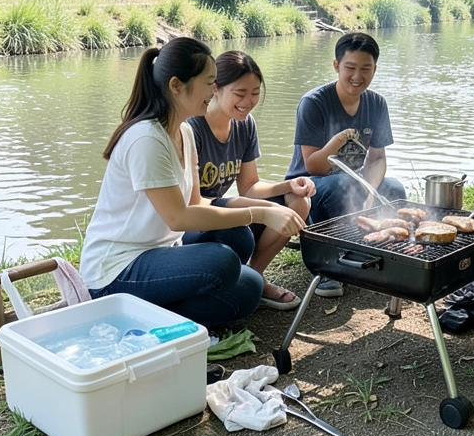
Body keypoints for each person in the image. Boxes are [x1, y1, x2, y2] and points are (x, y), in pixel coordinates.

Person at [80, 37, 305, 327]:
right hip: (116, 269)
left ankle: (152, 316)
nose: (214, 91)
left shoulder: (184, 133)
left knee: (249, 286)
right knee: (221, 261)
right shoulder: (146, 138)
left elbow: (197, 202)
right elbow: (178, 217)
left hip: (162, 254)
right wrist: (261, 213)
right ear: (176, 85)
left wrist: (268, 203)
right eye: (209, 82)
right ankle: (127, 312)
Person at [187, 50, 315, 311]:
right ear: (216, 88)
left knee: (298, 202)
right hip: (193, 223)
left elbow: (250, 186)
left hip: (224, 210)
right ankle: (246, 282)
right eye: (240, 93)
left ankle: (254, 277)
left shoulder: (244, 124)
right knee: (247, 227)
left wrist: (288, 186)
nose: (248, 101)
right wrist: (261, 211)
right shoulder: (192, 128)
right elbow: (194, 202)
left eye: (255, 93)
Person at [286, 32, 406, 297]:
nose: (357, 76)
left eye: (366, 69)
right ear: (336, 66)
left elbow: (376, 158)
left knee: (395, 190)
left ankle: (383, 256)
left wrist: (370, 193)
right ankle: (328, 265)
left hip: (354, 181)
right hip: (308, 187)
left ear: (375, 68)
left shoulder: (376, 103)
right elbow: (314, 165)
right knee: (341, 186)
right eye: (350, 68)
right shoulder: (314, 103)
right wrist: (337, 142)